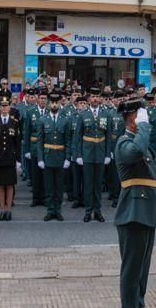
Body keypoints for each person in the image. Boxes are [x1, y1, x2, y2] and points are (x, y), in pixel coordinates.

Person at [114, 97, 156, 308]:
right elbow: (138, 150)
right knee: (132, 268)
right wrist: (143, 127)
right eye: (141, 118)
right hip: (132, 213)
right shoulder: (124, 144)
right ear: (132, 121)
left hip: (146, 212)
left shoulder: (141, 144)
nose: (146, 122)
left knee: (143, 267)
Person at [76, 87, 111, 223]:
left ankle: (98, 211)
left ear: (100, 98)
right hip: (87, 153)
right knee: (88, 183)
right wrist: (78, 155)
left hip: (101, 153)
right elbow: (78, 136)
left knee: (98, 184)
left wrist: (108, 154)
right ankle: (88, 211)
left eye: (97, 96)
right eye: (93, 97)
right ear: (89, 99)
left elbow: (108, 136)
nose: (95, 99)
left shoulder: (105, 114)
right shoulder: (83, 114)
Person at [35, 92, 72, 222]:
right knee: (49, 186)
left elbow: (68, 141)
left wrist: (68, 158)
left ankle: (58, 211)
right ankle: (50, 211)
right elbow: (39, 141)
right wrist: (40, 158)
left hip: (60, 158)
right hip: (48, 157)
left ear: (59, 104)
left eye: (57, 102)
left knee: (59, 187)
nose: (55, 105)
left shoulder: (65, 120)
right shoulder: (43, 120)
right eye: (52, 102)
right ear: (49, 104)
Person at [0, 96, 22, 221]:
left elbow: (18, 143)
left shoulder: (15, 122)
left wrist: (18, 160)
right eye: (2, 106)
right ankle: (2, 209)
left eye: (6, 105)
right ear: (0, 108)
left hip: (10, 158)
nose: (4, 108)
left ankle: (9, 209)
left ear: (10, 107)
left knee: (10, 185)